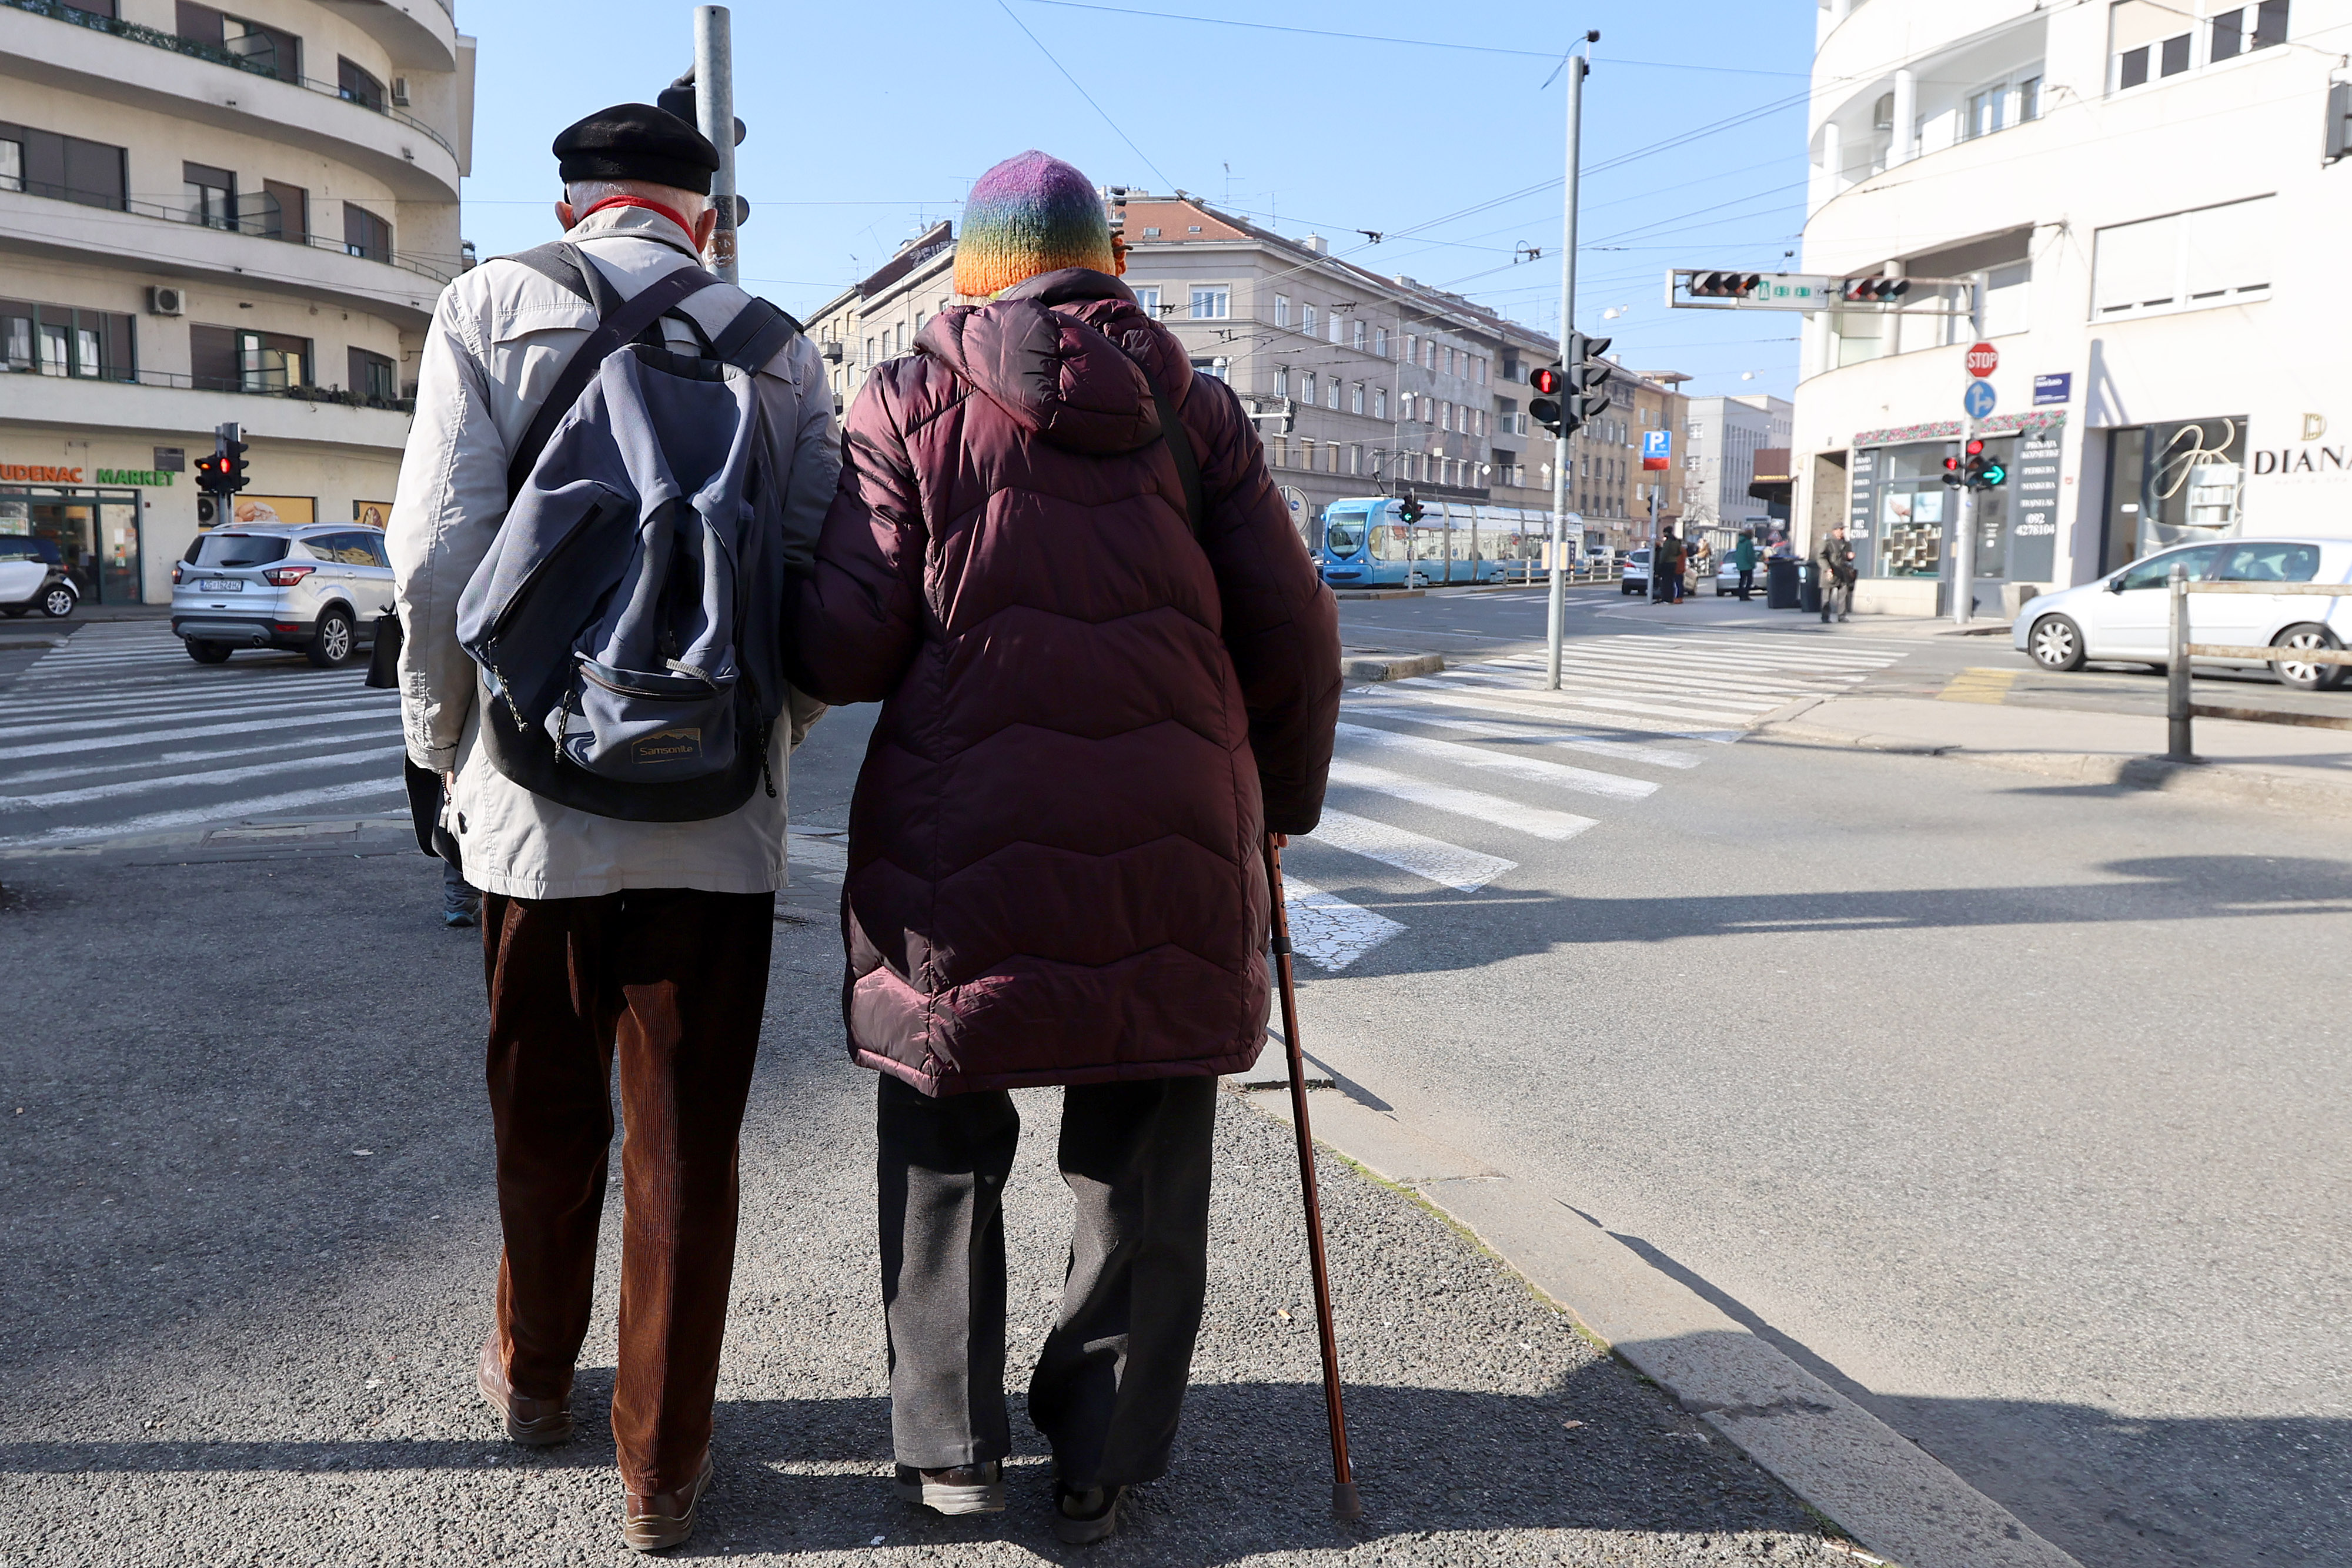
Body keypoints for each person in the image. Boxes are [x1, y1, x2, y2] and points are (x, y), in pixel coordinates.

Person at [790, 150, 1341, 1547]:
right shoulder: (1196, 411)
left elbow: (849, 644)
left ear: (973, 273)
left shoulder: (905, 399)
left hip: (957, 834)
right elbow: (1293, 629)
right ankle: (1103, 1449)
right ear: (1108, 265)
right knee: (1145, 1145)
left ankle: (952, 1448)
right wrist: (1275, 803)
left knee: (941, 1121)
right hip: (1171, 826)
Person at [385, 102, 837, 1554]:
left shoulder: (490, 303)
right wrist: (761, 737)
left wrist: (440, 746)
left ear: (577, 204)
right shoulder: (780, 343)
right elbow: (825, 590)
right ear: (702, 217)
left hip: (530, 804)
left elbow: (435, 556)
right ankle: (665, 1471)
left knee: (543, 1110)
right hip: (718, 821)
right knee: (687, 1150)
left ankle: (532, 1381)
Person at [1817, 523, 1857, 623]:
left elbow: (1847, 558)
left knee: (1843, 595)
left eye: (1843, 529)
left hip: (1843, 573)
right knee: (1826, 597)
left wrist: (1849, 556)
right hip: (1830, 573)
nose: (1842, 531)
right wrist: (1827, 569)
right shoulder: (1828, 543)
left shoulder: (1847, 544)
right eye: (1840, 529)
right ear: (1834, 531)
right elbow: (1821, 557)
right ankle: (1825, 617)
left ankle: (1842, 616)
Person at [1655, 527, 1683, 604]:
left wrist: (1660, 564)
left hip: (1667, 563)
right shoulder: (1676, 541)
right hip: (1674, 563)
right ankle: (1671, 598)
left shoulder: (1668, 542)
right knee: (1671, 582)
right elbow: (1679, 552)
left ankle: (1666, 598)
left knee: (1666, 582)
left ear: (1666, 533)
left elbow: (1664, 554)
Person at [1734, 528, 1758, 601]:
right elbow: (1750, 555)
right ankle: (1746, 595)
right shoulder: (1749, 543)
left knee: (1742, 580)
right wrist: (1753, 564)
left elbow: (1737, 554)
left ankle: (1741, 595)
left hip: (1741, 565)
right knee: (1749, 581)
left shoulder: (1739, 543)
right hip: (1748, 565)